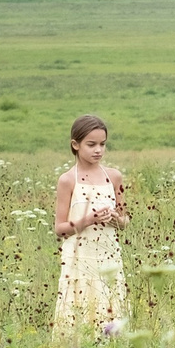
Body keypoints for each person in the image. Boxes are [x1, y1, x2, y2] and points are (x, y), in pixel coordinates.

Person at [53, 114, 128, 336]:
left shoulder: (113, 177)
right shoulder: (68, 180)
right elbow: (60, 228)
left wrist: (115, 218)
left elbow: (125, 220)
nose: (98, 150)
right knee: (79, 310)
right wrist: (88, 219)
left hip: (109, 255)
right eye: (91, 144)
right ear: (75, 145)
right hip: (79, 257)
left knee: (110, 303)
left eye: (103, 144)